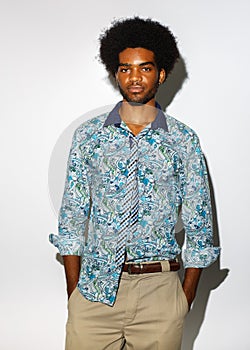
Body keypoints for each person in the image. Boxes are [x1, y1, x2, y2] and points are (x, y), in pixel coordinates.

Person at [49, 17, 220, 350]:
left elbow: (200, 227)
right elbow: (71, 219)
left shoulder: (183, 141)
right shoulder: (89, 137)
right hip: (95, 292)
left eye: (144, 68)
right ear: (116, 74)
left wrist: (181, 303)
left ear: (161, 74)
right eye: (125, 69)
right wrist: (76, 295)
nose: (135, 78)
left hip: (160, 293)